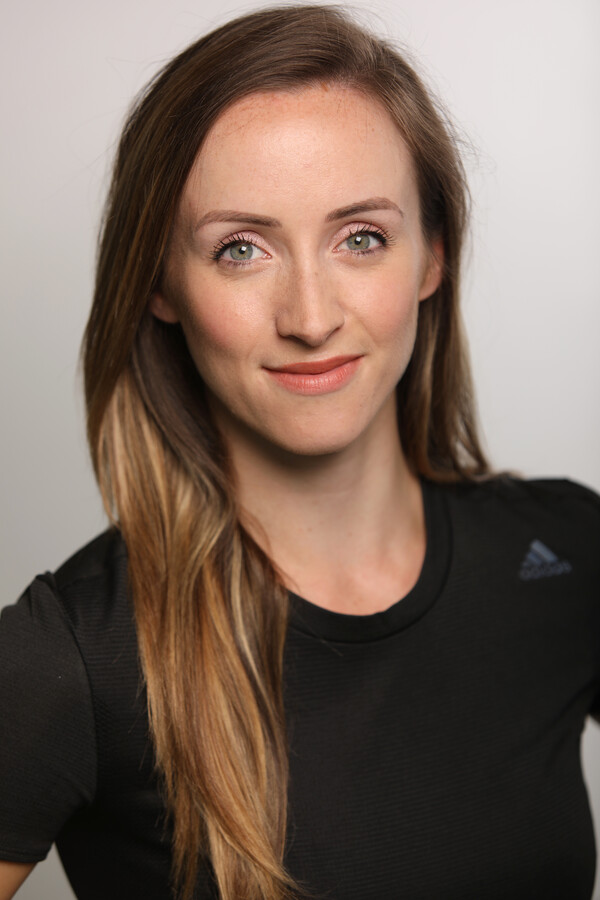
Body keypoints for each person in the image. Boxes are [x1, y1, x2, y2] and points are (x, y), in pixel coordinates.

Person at [0, 5, 598, 900]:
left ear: (432, 256)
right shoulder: (71, 657)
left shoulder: (563, 556)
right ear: (160, 282)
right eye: (240, 249)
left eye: (362, 237)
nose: (311, 317)